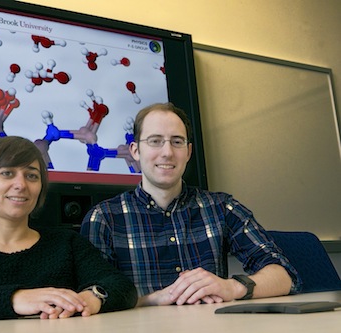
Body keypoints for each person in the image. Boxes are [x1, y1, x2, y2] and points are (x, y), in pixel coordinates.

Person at [80, 102, 302, 307]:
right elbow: (91, 300)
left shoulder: (222, 208)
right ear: (135, 151)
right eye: (155, 141)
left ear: (188, 152)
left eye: (177, 142)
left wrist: (231, 287)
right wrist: (155, 299)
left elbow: (285, 276)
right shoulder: (103, 218)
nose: (167, 152)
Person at [0, 136, 137, 324]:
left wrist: (92, 298)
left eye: (31, 175)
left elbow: (121, 287)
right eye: (7, 173)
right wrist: (15, 299)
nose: (21, 184)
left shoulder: (67, 244)